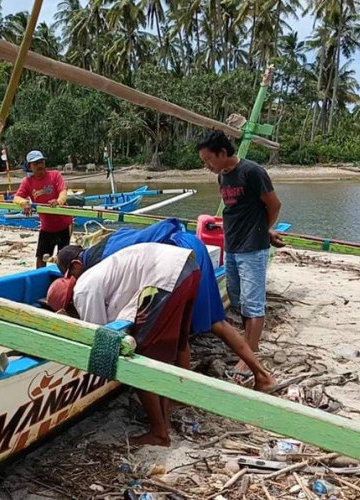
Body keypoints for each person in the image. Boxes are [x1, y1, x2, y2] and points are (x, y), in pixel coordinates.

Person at [56, 218, 275, 392]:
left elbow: (110, 316)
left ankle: (186, 389)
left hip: (176, 259)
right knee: (205, 324)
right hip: (188, 247)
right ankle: (256, 374)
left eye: (70, 275)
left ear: (76, 264)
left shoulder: (97, 265)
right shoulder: (105, 244)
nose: (73, 281)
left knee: (182, 332)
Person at [48, 243, 200, 447]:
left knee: (141, 357)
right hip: (186, 265)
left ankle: (159, 433)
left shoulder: (83, 289)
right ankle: (170, 411)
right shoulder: (100, 270)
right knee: (167, 351)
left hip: (165, 275)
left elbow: (100, 333)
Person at [196, 130, 284, 380]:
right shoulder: (223, 177)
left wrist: (263, 231)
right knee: (238, 299)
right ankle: (247, 345)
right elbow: (238, 211)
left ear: (223, 153)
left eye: (209, 160)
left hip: (252, 248)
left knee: (254, 303)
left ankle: (250, 356)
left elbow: (274, 204)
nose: (207, 166)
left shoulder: (252, 172)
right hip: (232, 246)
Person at [13, 150, 72, 268]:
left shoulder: (55, 175)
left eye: (41, 162)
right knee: (41, 257)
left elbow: (63, 191)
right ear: (30, 166)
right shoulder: (27, 182)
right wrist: (24, 203)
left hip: (64, 225)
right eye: (35, 164)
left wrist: (58, 201)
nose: (39, 166)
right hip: (47, 227)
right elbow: (16, 197)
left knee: (64, 258)